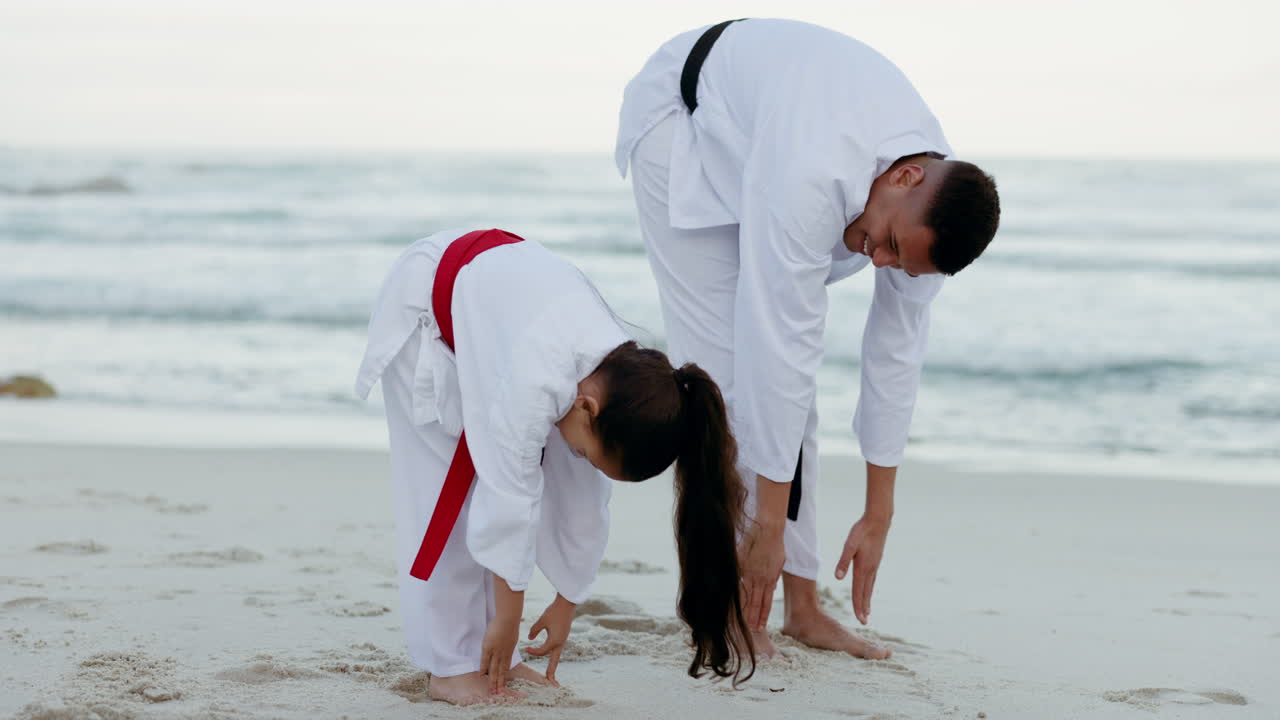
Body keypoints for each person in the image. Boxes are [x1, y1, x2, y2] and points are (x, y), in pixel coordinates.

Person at [616, 19, 1001, 659]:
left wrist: (879, 512)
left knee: (793, 404)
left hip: (762, 134)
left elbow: (894, 357)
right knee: (723, 382)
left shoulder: (933, 210)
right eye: (890, 245)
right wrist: (766, 521)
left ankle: (800, 607)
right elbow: (781, 346)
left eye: (900, 263)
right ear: (903, 178)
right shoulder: (813, 174)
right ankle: (724, 602)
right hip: (679, 121)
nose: (878, 261)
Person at [355, 228, 753, 705]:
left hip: (501, 312)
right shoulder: (536, 380)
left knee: (546, 475)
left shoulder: (618, 374)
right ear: (587, 408)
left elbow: (586, 498)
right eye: (589, 451)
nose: (581, 458)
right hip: (426, 307)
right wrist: (510, 617)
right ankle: (450, 665)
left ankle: (486, 657)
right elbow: (510, 497)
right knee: (450, 497)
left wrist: (566, 601)